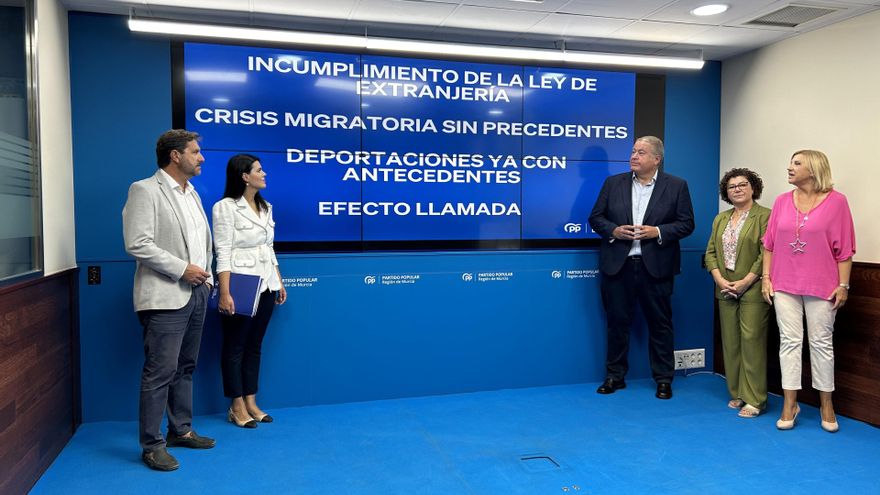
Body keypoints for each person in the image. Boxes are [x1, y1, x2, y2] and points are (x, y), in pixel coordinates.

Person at [123, 129, 216, 471]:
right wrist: (183, 270)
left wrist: (204, 280)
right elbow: (137, 243)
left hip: (197, 294)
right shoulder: (144, 190)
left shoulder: (192, 193)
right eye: (195, 151)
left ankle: (181, 431)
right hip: (165, 296)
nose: (201, 157)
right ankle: (151, 445)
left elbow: (202, 245)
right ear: (175, 156)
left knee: (186, 367)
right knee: (159, 371)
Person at [589, 136, 695, 399]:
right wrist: (613, 230)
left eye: (641, 152)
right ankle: (615, 376)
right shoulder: (613, 183)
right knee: (617, 323)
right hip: (619, 266)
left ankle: (663, 379)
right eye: (633, 151)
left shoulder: (677, 186)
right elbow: (595, 218)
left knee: (660, 325)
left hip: (656, 268)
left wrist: (656, 231)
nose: (634, 156)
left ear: (656, 159)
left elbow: (686, 223)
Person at [762, 150, 854, 432]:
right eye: (790, 161)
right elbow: (770, 244)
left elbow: (845, 249)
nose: (789, 167)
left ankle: (827, 404)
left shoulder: (838, 202)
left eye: (796, 163)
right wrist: (767, 278)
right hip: (784, 282)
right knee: (789, 342)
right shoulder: (780, 201)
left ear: (813, 169)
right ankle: (790, 403)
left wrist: (843, 284)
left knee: (821, 344)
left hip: (822, 284)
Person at [212, 154, 287, 428]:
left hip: (266, 283)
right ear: (244, 176)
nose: (264, 173)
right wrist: (225, 291)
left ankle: (252, 400)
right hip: (241, 284)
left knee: (255, 345)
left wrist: (278, 280)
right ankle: (236, 404)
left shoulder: (266, 207)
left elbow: (269, 248)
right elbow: (222, 250)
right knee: (235, 345)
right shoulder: (225, 207)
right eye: (258, 170)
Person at [704, 168, 771, 418]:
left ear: (754, 188)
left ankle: (756, 399)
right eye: (732, 187)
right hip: (725, 288)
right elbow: (710, 252)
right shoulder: (720, 219)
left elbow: (767, 253)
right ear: (726, 192)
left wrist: (747, 280)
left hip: (752, 288)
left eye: (743, 184)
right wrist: (720, 279)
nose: (737, 189)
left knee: (752, 342)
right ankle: (738, 393)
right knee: (731, 343)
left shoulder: (765, 216)